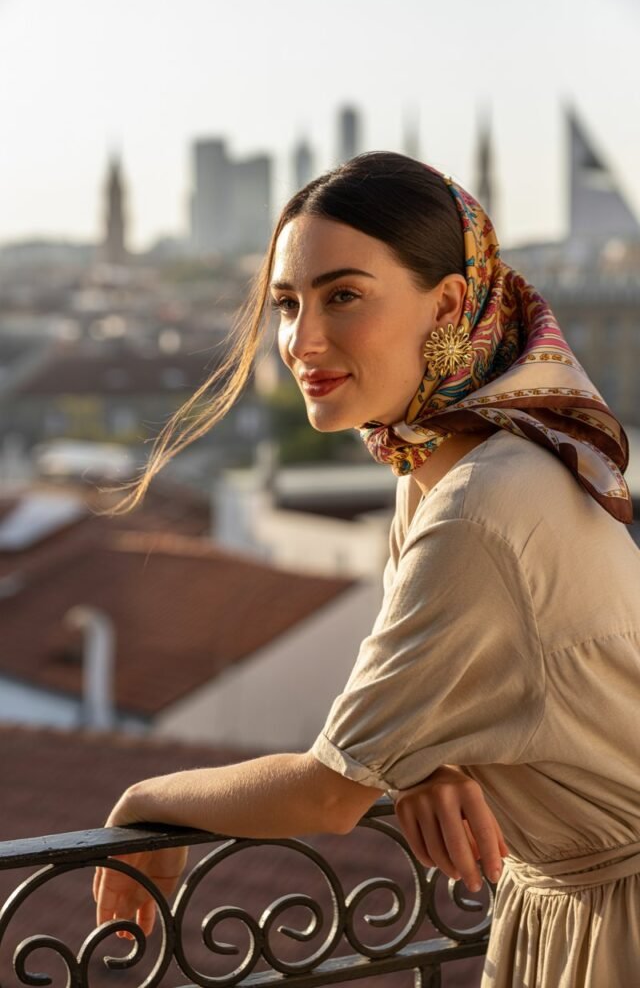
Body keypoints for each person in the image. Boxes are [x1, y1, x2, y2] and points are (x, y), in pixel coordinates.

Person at [94, 152, 640, 987]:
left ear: (450, 303)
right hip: (573, 898)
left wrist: (151, 801)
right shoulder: (452, 467)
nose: (301, 341)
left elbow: (327, 793)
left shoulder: (478, 503)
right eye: (286, 303)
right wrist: (433, 755)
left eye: (342, 296)